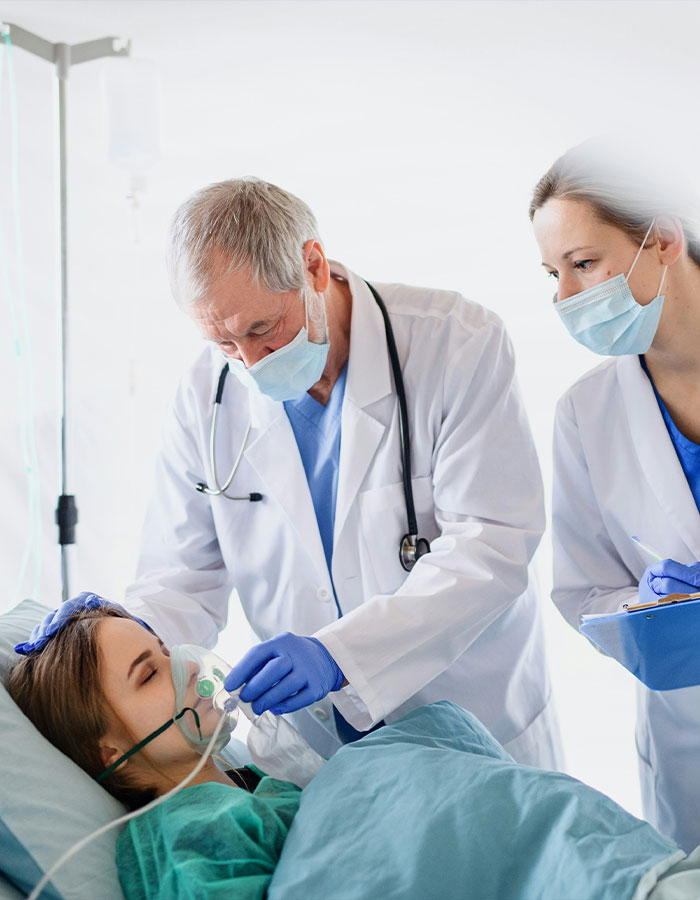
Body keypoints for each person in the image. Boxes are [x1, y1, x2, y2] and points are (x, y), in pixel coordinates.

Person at [34, 177, 561, 766]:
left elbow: (491, 544)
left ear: (313, 265)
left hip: (472, 718)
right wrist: (104, 633)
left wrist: (340, 655)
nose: (250, 363)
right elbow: (182, 578)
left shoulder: (456, 343)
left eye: (261, 329)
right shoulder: (204, 397)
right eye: (224, 342)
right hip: (320, 749)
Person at [7, 604, 693, 900]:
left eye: (164, 650)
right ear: (111, 752)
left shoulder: (258, 779)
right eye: (150, 674)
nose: (187, 667)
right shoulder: (185, 834)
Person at [530, 137, 700, 853]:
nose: (565, 296)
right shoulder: (585, 414)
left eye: (583, 264)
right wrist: (645, 608)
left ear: (661, 237)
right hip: (689, 738)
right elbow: (582, 591)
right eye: (552, 273)